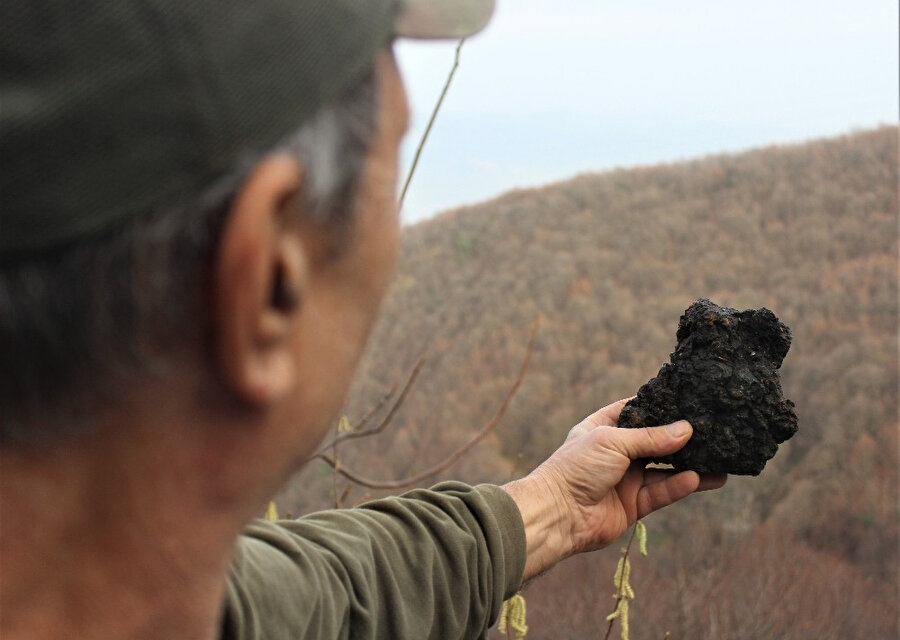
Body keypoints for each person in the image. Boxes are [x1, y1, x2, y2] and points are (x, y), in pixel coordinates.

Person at [0, 1, 727, 638]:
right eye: (389, 165)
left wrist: (551, 509)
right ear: (266, 285)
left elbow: (315, 603)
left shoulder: (131, 590)